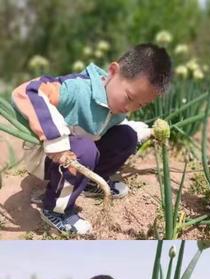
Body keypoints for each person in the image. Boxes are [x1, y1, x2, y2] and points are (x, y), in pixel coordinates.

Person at [11, 43, 172, 235]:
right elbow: (28, 91)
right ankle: (55, 209)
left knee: (127, 137)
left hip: (77, 153)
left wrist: (143, 132)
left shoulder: (116, 104)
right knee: (85, 149)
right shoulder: (77, 89)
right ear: (112, 72)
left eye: (140, 105)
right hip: (46, 156)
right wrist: (55, 139)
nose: (130, 107)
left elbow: (111, 130)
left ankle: (89, 183)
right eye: (129, 97)